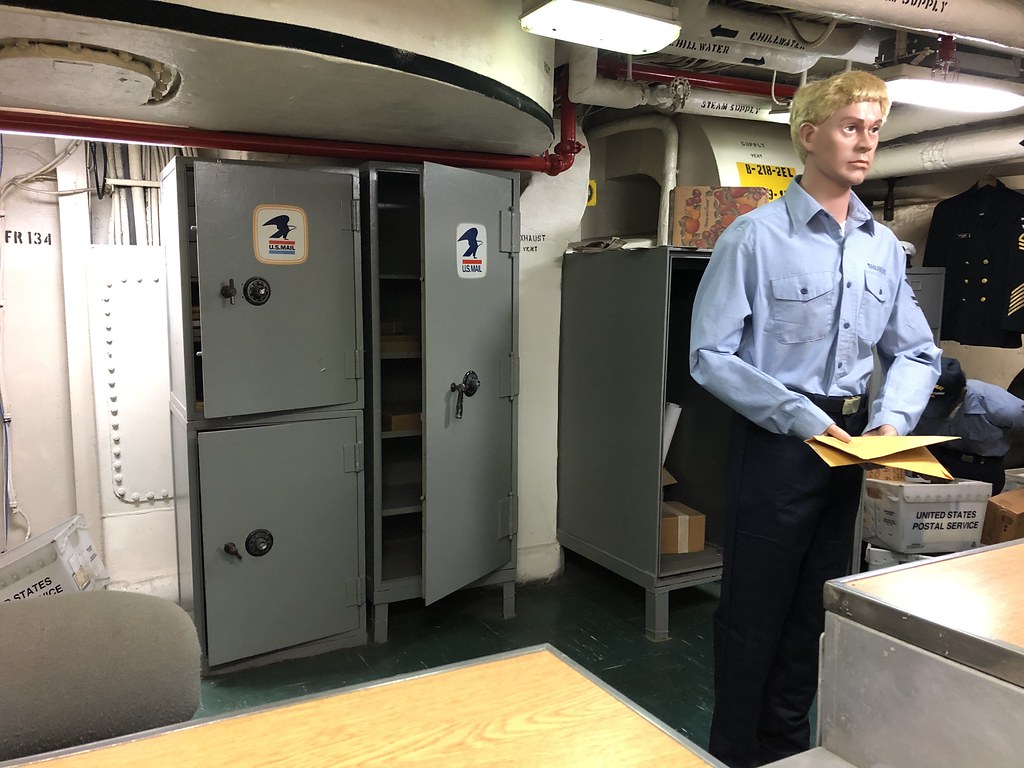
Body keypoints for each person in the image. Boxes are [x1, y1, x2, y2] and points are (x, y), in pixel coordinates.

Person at [688, 69, 941, 768]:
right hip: (777, 443)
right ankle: (738, 753)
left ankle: (788, 750)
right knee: (754, 615)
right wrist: (797, 416)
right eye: (850, 127)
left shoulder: (882, 246)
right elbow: (708, 354)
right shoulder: (755, 237)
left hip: (853, 446)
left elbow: (917, 349)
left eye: (874, 130)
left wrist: (892, 419)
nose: (866, 143)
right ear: (808, 135)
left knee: (813, 610)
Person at [914, 356, 1024, 494]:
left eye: (943, 406)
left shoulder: (999, 405)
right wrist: (922, 466)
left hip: (984, 469)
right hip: (938, 461)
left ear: (962, 394)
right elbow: (903, 439)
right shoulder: (913, 404)